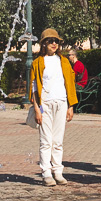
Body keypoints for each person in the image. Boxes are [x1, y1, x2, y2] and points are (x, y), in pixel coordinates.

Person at [30, 28, 77, 185]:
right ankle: (46, 173)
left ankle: (58, 171)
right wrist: (37, 109)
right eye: (50, 41)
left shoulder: (63, 61)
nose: (54, 44)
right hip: (45, 104)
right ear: (43, 44)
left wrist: (71, 106)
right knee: (46, 141)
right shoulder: (37, 63)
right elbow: (34, 88)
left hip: (61, 103)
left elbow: (69, 84)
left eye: (56, 41)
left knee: (58, 141)